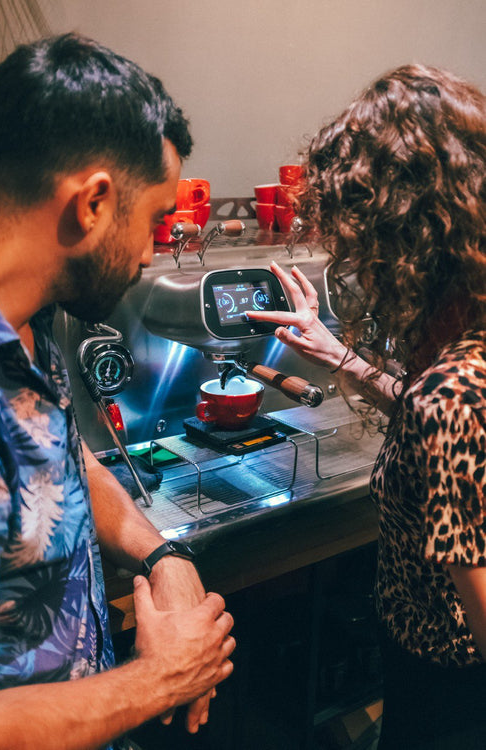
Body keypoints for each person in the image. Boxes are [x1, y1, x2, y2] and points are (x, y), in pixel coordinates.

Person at [0, 33, 235, 749]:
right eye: (153, 220)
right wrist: (164, 678)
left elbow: (63, 461)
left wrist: (164, 557)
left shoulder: (31, 317)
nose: (151, 253)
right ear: (93, 202)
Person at [247, 64, 485, 749]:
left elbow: (445, 415)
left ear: (403, 239)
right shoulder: (467, 350)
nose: (351, 259)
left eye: (356, 239)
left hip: (449, 697)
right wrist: (341, 357)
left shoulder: (450, 396)